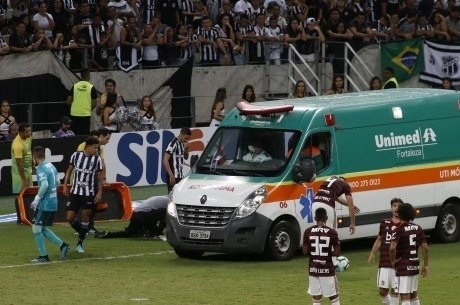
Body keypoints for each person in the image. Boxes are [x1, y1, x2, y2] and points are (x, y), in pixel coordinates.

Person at [29, 146, 70, 263]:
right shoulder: (51, 166)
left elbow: (45, 185)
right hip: (53, 201)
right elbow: (57, 182)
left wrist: (37, 198)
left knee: (36, 228)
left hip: (45, 203)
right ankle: (63, 245)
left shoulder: (41, 168)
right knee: (40, 228)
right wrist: (52, 194)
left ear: (34, 157)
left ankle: (44, 256)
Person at [63, 136, 104, 253]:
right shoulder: (76, 155)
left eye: (97, 148)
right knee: (69, 217)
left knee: (85, 217)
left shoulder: (97, 160)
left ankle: (80, 243)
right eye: (94, 147)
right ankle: (83, 232)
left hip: (89, 193)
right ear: (88, 146)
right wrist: (65, 185)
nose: (96, 150)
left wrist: (99, 192)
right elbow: (69, 170)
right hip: (75, 192)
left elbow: (100, 177)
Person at [390, 203, 429, 305]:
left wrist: (393, 261)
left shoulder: (399, 229)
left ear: (400, 214)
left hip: (403, 265)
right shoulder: (418, 228)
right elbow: (425, 248)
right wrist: (426, 265)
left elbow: (392, 248)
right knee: (413, 294)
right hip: (415, 264)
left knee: (404, 295)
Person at [302, 207, 341, 305]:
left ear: (315, 218)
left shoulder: (308, 231)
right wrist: (328, 252)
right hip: (327, 268)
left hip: (313, 269)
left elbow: (305, 252)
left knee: (316, 297)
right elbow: (337, 253)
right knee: (333, 296)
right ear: (326, 218)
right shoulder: (332, 233)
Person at [368, 198, 403, 305]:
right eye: (394, 205)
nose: (396, 208)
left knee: (396, 290)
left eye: (398, 206)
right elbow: (379, 239)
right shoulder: (384, 223)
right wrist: (372, 253)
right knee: (382, 291)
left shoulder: (404, 224)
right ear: (391, 208)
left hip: (398, 262)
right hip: (384, 262)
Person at [96, 195, 169, 240]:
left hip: (136, 213)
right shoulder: (170, 201)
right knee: (167, 213)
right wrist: (160, 230)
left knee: (130, 232)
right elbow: (166, 216)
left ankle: (108, 234)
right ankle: (155, 232)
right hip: (144, 214)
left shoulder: (163, 198)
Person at [66, 68, 98, 135]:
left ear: (81, 76)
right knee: (84, 136)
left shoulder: (75, 86)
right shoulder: (91, 87)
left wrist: (75, 106)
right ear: (88, 75)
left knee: (74, 135)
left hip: (74, 114)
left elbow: (68, 101)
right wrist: (88, 109)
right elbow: (95, 103)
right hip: (85, 115)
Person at [163, 127, 192, 192]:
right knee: (172, 196)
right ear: (181, 134)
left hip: (180, 175)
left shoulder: (182, 143)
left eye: (188, 138)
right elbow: (165, 160)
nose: (186, 140)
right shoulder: (173, 143)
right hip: (173, 175)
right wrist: (171, 175)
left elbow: (186, 157)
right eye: (186, 138)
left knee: (179, 196)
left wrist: (186, 149)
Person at [11, 122, 33, 194]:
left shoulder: (29, 137)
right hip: (19, 172)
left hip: (28, 169)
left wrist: (32, 164)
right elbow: (19, 164)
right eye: (27, 132)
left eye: (30, 131)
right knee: (21, 194)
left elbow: (29, 151)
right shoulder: (17, 145)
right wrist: (24, 179)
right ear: (21, 132)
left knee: (30, 192)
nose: (29, 133)